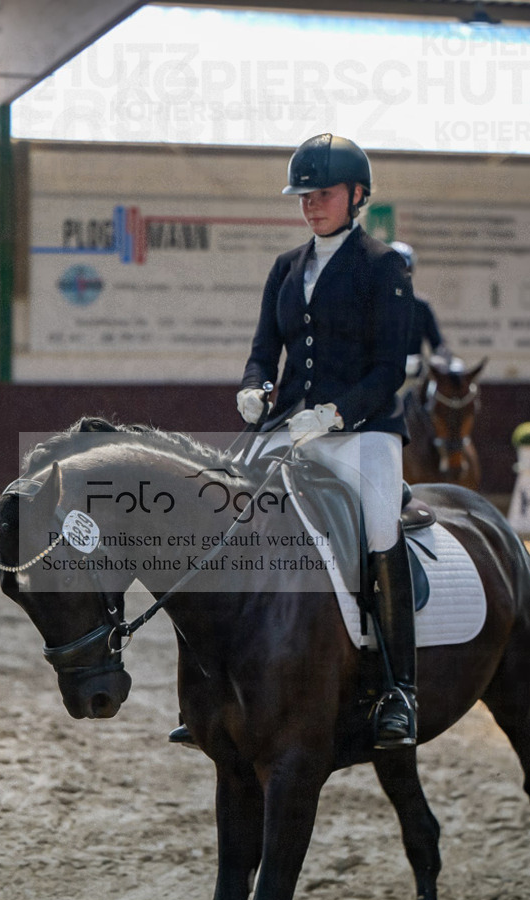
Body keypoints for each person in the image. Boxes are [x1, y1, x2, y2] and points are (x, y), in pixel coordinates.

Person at [170, 132, 417, 750]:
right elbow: (264, 351)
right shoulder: (286, 266)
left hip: (364, 432)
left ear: (357, 196)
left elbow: (391, 369)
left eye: (324, 194)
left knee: (380, 528)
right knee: (219, 514)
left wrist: (334, 414)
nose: (311, 205)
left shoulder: (383, 266)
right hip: (284, 431)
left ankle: (397, 689)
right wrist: (254, 389)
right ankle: (212, 684)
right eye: (304, 196)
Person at [390, 241, 449, 380]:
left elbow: (438, 345)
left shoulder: (421, 307)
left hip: (414, 379)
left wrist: (439, 360)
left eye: (406, 269)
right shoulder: (371, 303)